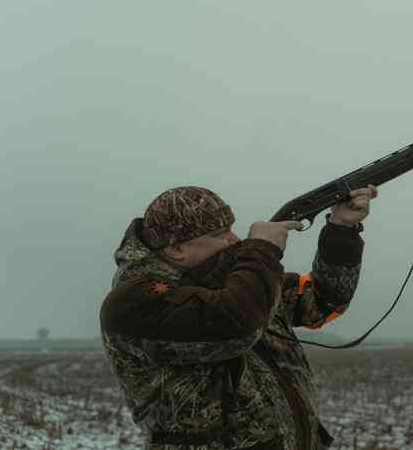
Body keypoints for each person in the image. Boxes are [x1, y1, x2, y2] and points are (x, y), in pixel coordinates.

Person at [100, 184, 377, 450]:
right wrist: (261, 250)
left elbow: (322, 302)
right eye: (221, 233)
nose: (234, 240)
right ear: (176, 249)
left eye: (232, 229)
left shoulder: (233, 281)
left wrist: (341, 230)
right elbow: (236, 325)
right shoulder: (132, 304)